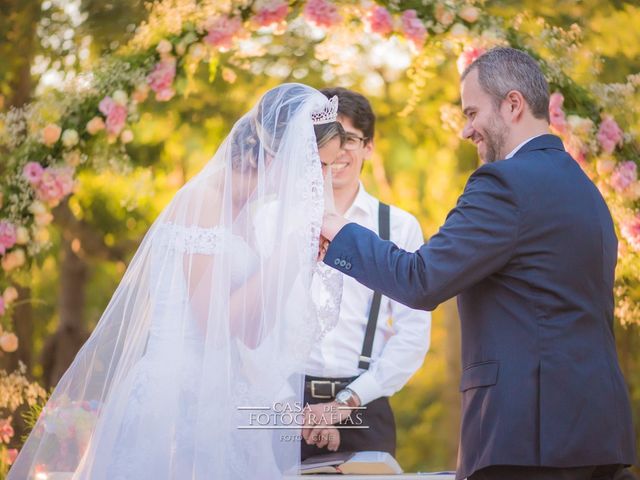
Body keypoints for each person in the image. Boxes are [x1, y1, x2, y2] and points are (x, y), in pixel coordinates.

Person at [320, 47, 637, 480]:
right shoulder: (587, 191)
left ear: (512, 104)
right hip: (597, 432)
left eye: (472, 113)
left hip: (527, 437)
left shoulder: (504, 183)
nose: (467, 130)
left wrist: (337, 232)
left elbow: (422, 279)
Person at [9, 83, 346, 480]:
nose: (322, 179)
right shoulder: (202, 201)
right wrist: (289, 250)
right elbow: (214, 324)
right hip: (175, 405)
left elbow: (253, 334)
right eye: (316, 165)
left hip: (223, 398)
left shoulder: (249, 215)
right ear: (277, 153)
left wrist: (294, 260)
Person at [301, 88, 430, 459]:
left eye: (350, 139)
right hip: (283, 407)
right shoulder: (273, 217)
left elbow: (412, 336)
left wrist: (341, 406)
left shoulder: (398, 226)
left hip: (364, 407)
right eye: (329, 138)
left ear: (369, 146)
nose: (338, 151)